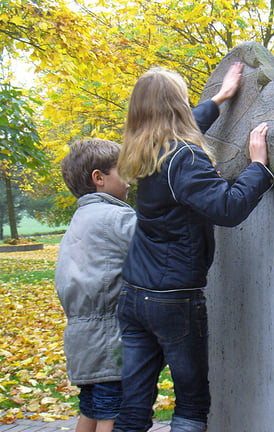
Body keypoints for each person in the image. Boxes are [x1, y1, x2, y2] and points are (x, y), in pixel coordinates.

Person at [112, 63, 274, 432]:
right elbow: (228, 208)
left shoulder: (141, 149)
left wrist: (219, 99)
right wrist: (258, 166)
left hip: (135, 296)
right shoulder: (184, 156)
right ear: (177, 105)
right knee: (191, 406)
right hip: (173, 301)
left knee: (133, 407)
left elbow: (182, 130)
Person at [55, 138, 136, 432]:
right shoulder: (116, 217)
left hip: (83, 338)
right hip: (109, 337)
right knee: (115, 414)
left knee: (92, 409)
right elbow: (158, 244)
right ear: (99, 178)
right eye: (123, 171)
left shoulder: (80, 220)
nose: (130, 180)